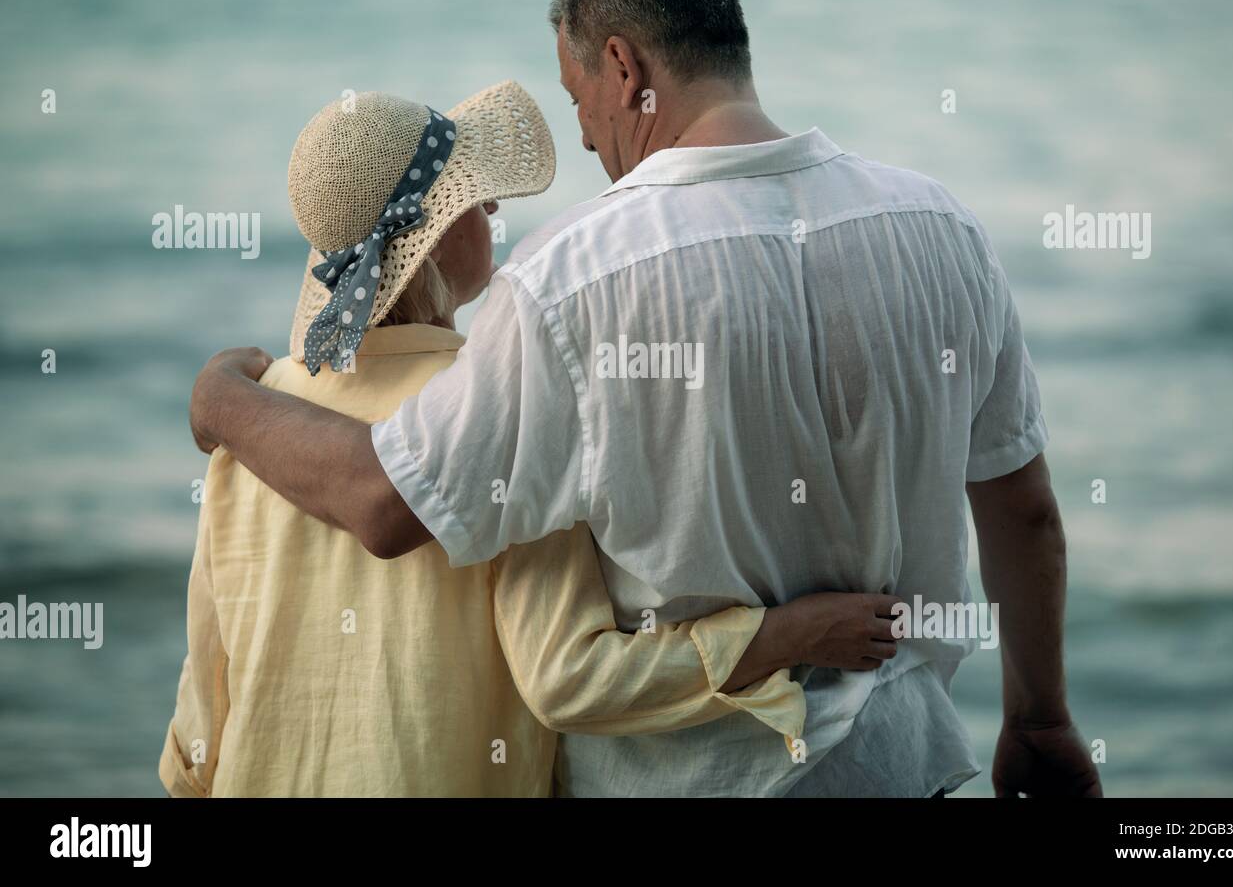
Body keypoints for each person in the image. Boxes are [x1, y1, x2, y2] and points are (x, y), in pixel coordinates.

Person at [188, 0, 1102, 797]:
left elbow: (389, 506)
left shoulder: (567, 277)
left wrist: (225, 401)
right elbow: (1023, 513)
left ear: (624, 68)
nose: (584, 135)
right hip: (900, 766)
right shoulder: (942, 229)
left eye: (577, 95)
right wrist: (1043, 720)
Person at [161, 83, 899, 797]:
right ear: (442, 234)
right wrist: (783, 635)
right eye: (479, 198)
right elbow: (572, 679)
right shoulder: (502, 404)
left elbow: (199, 736)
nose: (492, 211)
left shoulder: (253, 421)